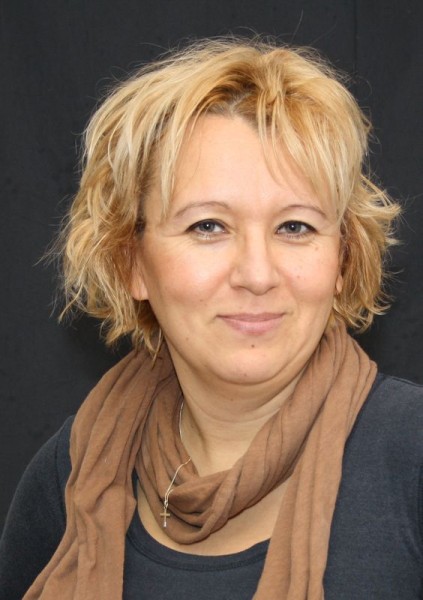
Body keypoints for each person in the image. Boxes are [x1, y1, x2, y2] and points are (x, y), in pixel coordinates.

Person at [0, 37, 422, 600]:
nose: (257, 274)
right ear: (131, 263)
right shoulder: (69, 476)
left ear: (343, 259)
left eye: (295, 227)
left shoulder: (412, 458)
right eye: (208, 227)